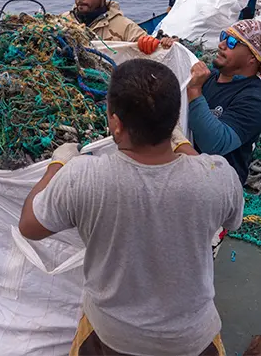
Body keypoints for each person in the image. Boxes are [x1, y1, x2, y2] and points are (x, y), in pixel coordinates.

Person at [19, 59, 244, 356]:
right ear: (176, 116)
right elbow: (233, 217)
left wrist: (57, 166)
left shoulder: (83, 177)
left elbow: (29, 226)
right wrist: (180, 144)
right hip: (193, 340)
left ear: (115, 122)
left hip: (112, 338)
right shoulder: (218, 176)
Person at [165, 19, 261, 185]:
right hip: (185, 173)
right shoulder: (209, 77)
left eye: (232, 42)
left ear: (253, 57)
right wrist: (168, 50)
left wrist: (195, 91)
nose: (221, 45)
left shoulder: (253, 100)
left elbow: (215, 143)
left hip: (217, 187)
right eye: (223, 36)